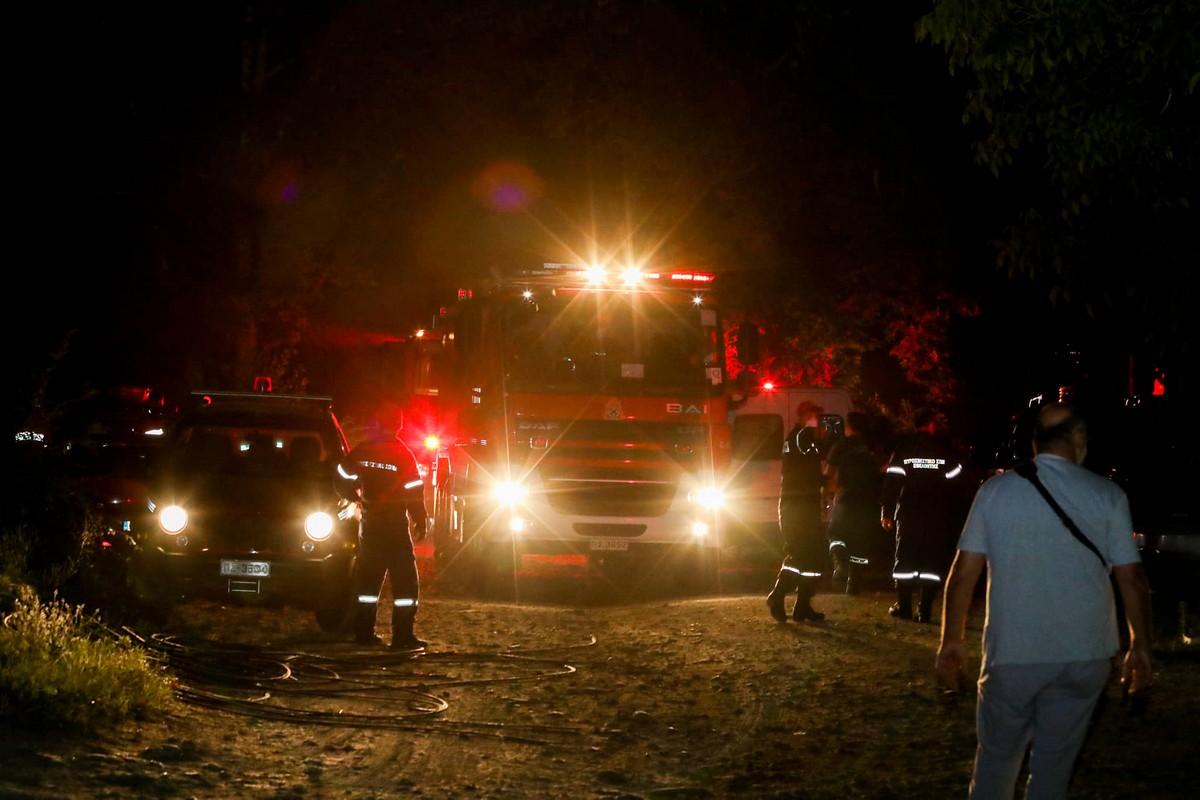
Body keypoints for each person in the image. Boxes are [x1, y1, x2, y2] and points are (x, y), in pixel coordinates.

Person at [935, 401, 1153, 799]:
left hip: (1012, 655)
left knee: (996, 763)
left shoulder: (995, 493)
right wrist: (1140, 645)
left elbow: (963, 574)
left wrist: (952, 640)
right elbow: (1133, 579)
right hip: (1084, 654)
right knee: (1054, 771)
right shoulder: (1108, 495)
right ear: (1079, 438)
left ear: (1035, 443)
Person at [337, 416, 429, 648]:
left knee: (367, 582)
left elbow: (340, 474)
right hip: (395, 527)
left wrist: (353, 496)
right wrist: (420, 518)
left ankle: (364, 634)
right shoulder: (402, 453)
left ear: (377, 424)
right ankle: (402, 636)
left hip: (370, 526)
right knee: (406, 582)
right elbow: (413, 489)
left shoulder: (364, 450)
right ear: (398, 426)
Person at [880, 407, 969, 622]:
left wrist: (887, 513)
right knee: (932, 563)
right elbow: (958, 481)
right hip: (937, 515)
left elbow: (892, 483)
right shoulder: (943, 450)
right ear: (930, 424)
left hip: (909, 514)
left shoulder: (904, 449)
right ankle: (925, 610)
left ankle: (904, 606)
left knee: (905, 560)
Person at [766, 401, 833, 622]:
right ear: (802, 416)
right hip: (797, 508)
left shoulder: (800, 439)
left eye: (817, 415)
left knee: (813, 557)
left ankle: (802, 605)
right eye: (813, 415)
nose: (816, 420)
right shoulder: (800, 437)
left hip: (802, 505)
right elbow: (809, 468)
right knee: (801, 555)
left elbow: (806, 468)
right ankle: (777, 595)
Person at [824, 411, 884, 595]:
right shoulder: (872, 446)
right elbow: (882, 468)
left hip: (846, 497)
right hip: (868, 499)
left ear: (848, 426)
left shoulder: (841, 445)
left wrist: (826, 494)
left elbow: (828, 474)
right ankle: (854, 584)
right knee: (860, 543)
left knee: (835, 533)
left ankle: (840, 564)